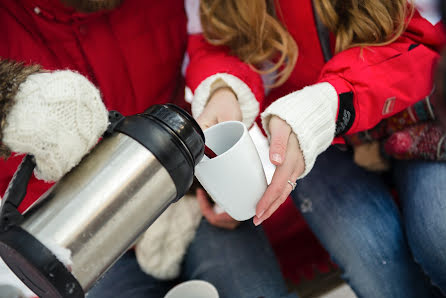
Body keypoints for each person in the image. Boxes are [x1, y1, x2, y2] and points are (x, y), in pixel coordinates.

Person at [0, 1, 296, 297]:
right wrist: (9, 98)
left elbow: (216, 35)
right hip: (76, 238)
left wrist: (222, 87)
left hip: (186, 194)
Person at [196, 0, 446, 297]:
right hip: (307, 137)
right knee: (373, 260)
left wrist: (329, 103)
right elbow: (212, 38)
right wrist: (223, 85)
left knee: (439, 233)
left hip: (415, 114)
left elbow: (429, 40)